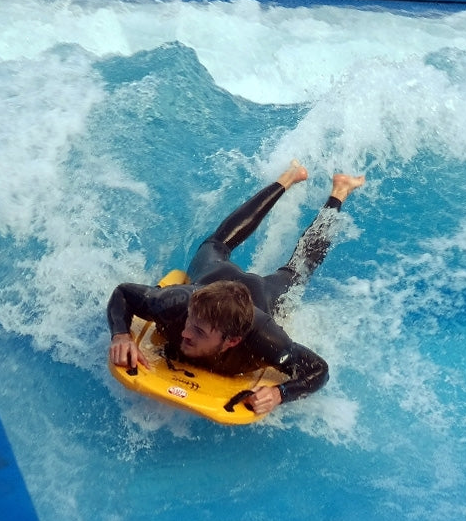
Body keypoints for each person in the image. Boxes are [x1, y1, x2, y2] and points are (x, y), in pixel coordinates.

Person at [107, 160, 365, 415]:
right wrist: (121, 336)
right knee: (216, 244)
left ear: (232, 341)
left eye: (199, 331)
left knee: (297, 272)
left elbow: (318, 371)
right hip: (214, 274)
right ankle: (288, 178)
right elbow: (124, 293)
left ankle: (340, 191)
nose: (185, 332)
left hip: (262, 292)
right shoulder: (177, 303)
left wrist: (279, 394)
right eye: (190, 322)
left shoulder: (264, 339)